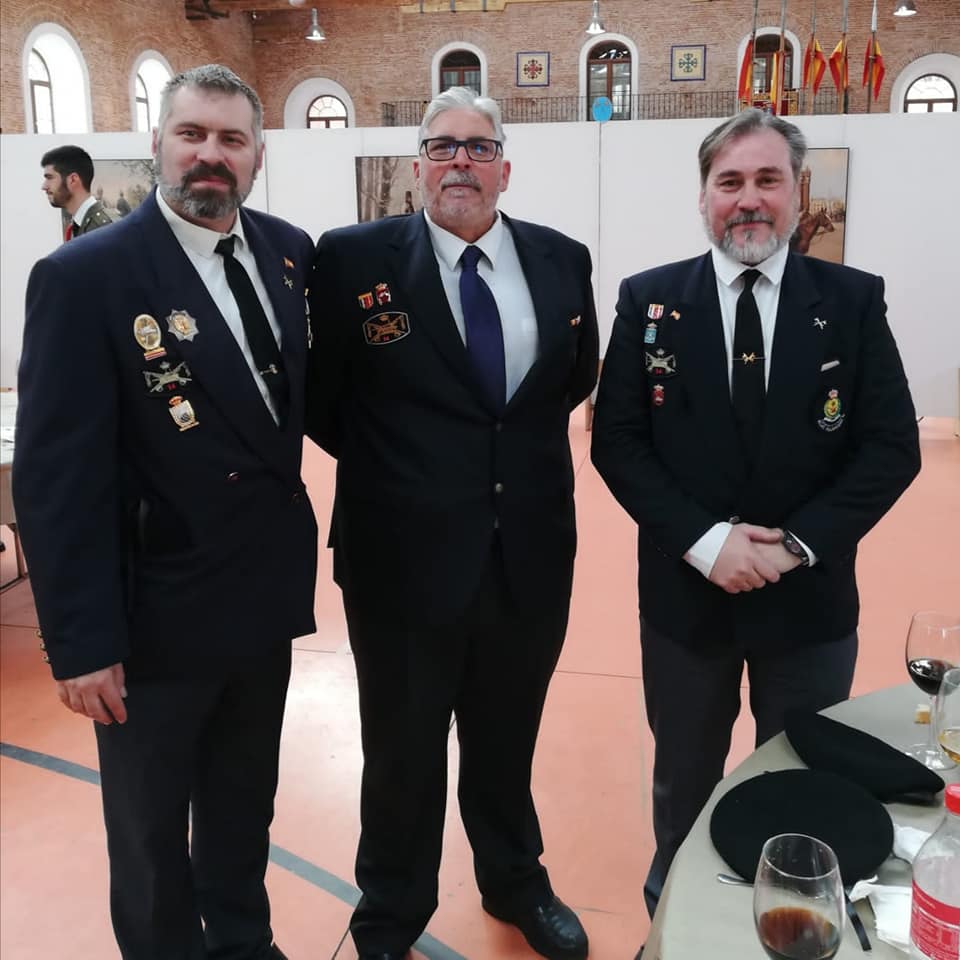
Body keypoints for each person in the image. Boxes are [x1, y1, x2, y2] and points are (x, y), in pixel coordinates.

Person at [590, 108, 921, 941]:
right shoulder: (648, 300)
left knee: (803, 777)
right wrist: (709, 544)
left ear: (796, 193)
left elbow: (891, 446)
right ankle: (673, 924)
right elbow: (617, 440)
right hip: (686, 601)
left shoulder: (851, 300)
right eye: (729, 181)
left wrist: (797, 545)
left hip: (808, 603)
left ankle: (789, 921)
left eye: (767, 179)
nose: (748, 199)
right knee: (684, 781)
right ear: (703, 196)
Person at [14, 64, 318, 960]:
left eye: (230, 139)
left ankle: (243, 943)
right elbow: (57, 477)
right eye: (191, 134)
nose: (209, 155)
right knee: (150, 834)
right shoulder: (87, 276)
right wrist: (80, 642)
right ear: (157, 145)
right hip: (153, 616)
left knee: (243, 806)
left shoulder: (288, 252)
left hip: (260, 599)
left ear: (257, 155)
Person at [307, 87, 599, 960]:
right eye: (443, 146)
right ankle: (390, 914)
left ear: (505, 168)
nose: (460, 162)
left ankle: (515, 880)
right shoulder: (351, 260)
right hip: (399, 562)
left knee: (507, 739)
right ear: (417, 167)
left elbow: (570, 382)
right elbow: (324, 403)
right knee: (401, 750)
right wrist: (413, 474)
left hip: (528, 554)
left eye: (479, 147)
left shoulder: (562, 259)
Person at [40, 144, 113, 239]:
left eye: (50, 177)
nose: (44, 186)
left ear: (73, 180)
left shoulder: (102, 229)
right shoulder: (82, 225)